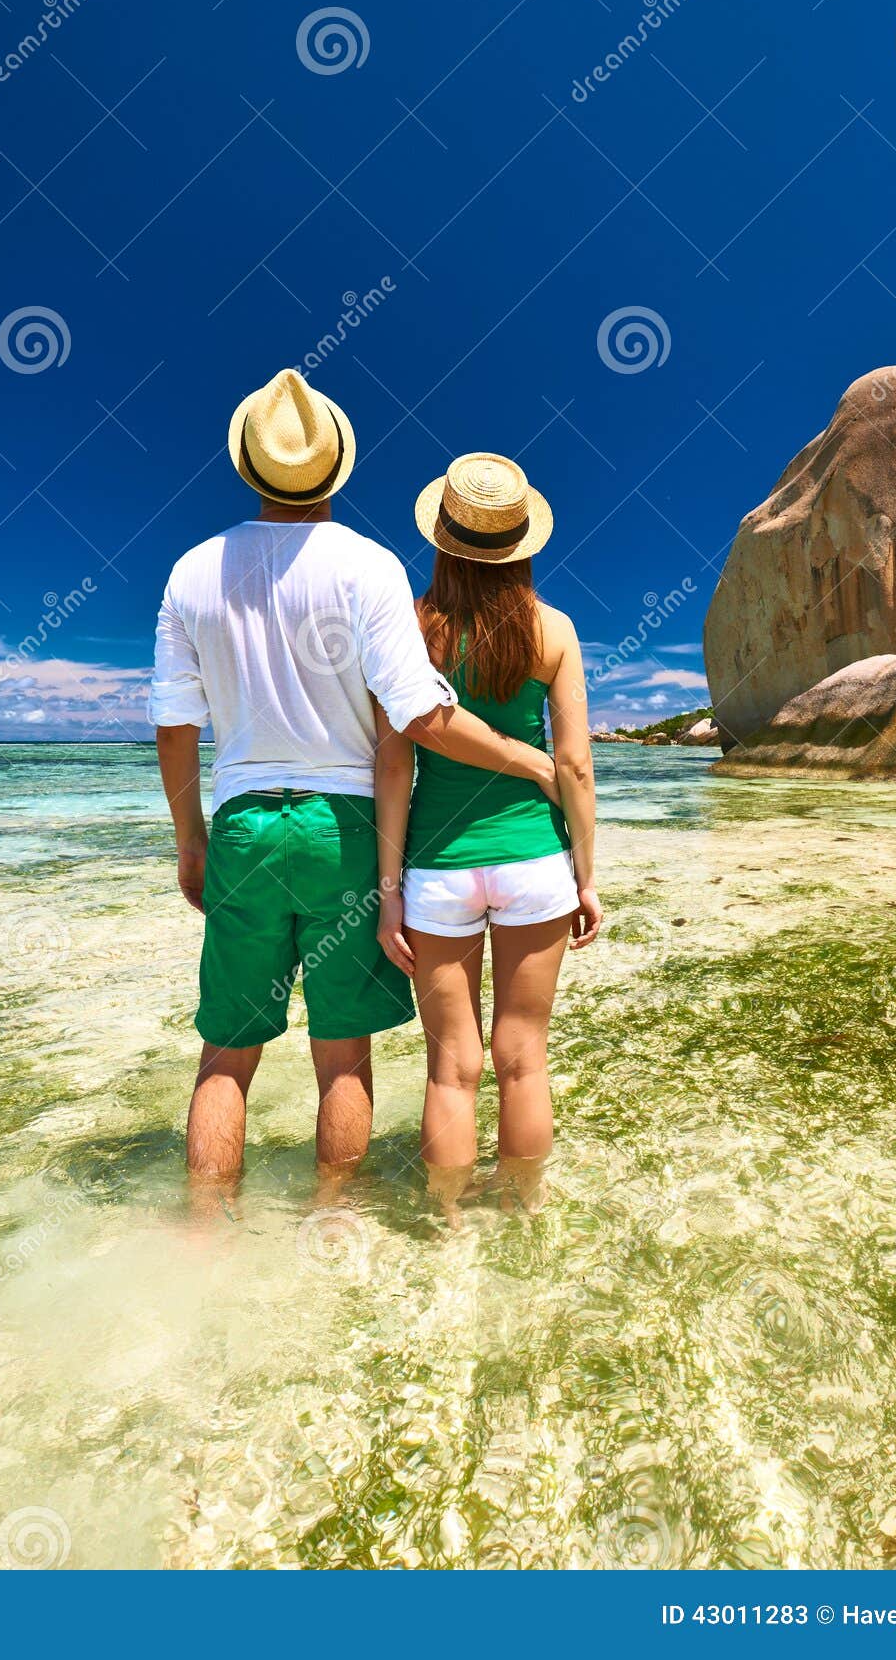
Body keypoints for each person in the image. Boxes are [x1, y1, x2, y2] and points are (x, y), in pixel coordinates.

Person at [148, 372, 560, 1183]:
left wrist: (189, 839)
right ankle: (335, 1221)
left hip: (242, 824)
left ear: (248, 467)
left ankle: (202, 1239)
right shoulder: (369, 568)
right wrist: (529, 761)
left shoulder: (191, 571)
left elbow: (174, 727)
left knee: (226, 1057)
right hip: (345, 830)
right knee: (341, 1060)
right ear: (334, 469)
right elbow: (420, 719)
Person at [371, 452, 603, 1207]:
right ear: (521, 546)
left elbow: (392, 769)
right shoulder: (555, 630)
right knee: (523, 1059)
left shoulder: (409, 626)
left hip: (437, 869)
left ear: (443, 539)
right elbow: (573, 766)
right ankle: (524, 1211)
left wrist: (387, 892)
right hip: (535, 861)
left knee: (452, 1068)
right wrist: (587, 877)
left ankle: (446, 1225)